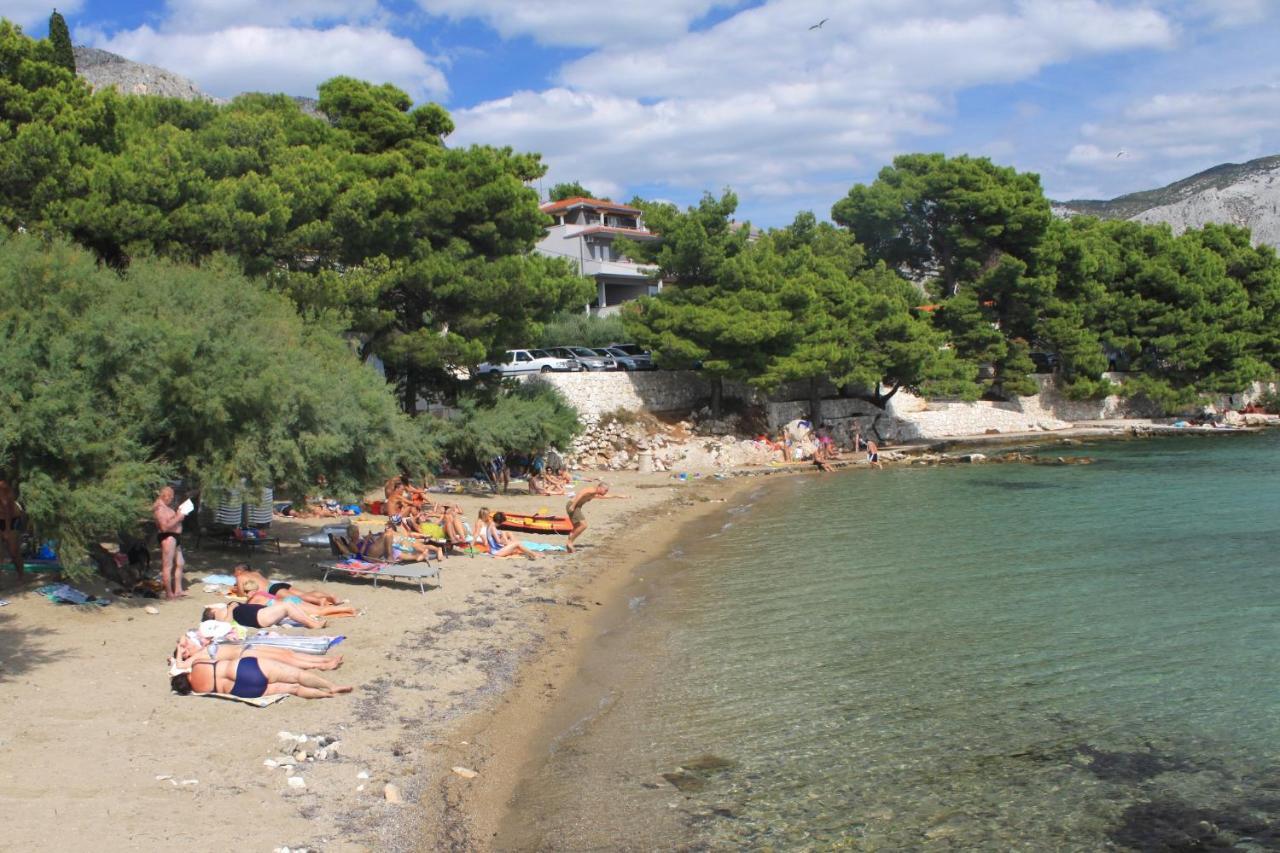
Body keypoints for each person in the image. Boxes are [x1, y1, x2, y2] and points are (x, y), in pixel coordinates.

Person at [170, 651, 353, 699]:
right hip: (243, 669)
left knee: (293, 689)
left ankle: (326, 695)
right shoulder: (197, 665)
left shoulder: (200, 690)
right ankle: (331, 686)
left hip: (242, 689)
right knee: (296, 675)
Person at [172, 631, 344, 671]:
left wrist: (182, 645)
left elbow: (184, 636)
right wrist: (180, 652)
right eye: (186, 650)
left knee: (287, 654)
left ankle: (324, 661)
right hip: (244, 655)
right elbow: (180, 666)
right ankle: (324, 666)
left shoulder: (201, 648)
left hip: (248, 648)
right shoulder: (196, 658)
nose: (187, 647)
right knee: (285, 660)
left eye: (186, 647)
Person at [232, 564, 341, 606]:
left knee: (299, 598)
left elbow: (241, 594)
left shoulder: (240, 577)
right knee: (305, 593)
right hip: (278, 585)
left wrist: (236, 589)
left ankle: (320, 601)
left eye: (235, 572)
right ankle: (328, 596)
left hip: (272, 590)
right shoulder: (255, 573)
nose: (234, 574)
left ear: (240, 571)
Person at [565, 482, 629, 553]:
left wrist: (617, 496)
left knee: (577, 526)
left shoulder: (594, 493)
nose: (606, 492)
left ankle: (569, 543)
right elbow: (581, 493)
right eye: (605, 490)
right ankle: (569, 542)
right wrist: (573, 506)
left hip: (577, 507)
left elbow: (603, 497)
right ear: (600, 487)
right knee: (583, 525)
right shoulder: (592, 490)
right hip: (573, 506)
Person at [153, 486, 189, 599]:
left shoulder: (166, 507)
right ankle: (169, 592)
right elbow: (164, 527)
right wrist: (179, 517)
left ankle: (178, 589)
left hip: (175, 537)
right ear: (165, 496)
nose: (172, 499)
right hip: (168, 537)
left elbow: (172, 520)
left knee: (180, 563)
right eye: (171, 497)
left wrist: (179, 514)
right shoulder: (159, 508)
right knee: (168, 565)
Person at [202, 600, 326, 631]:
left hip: (259, 614)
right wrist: (231, 609)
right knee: (287, 606)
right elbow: (226, 625)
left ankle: (311, 622)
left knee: (288, 604)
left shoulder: (222, 609)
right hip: (258, 617)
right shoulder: (220, 614)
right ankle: (312, 624)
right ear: (212, 611)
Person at [0, 477, 25, 577]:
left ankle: (21, 575)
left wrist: (7, 530)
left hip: (12, 519)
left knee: (13, 551)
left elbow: (8, 510)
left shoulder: (2, 486)